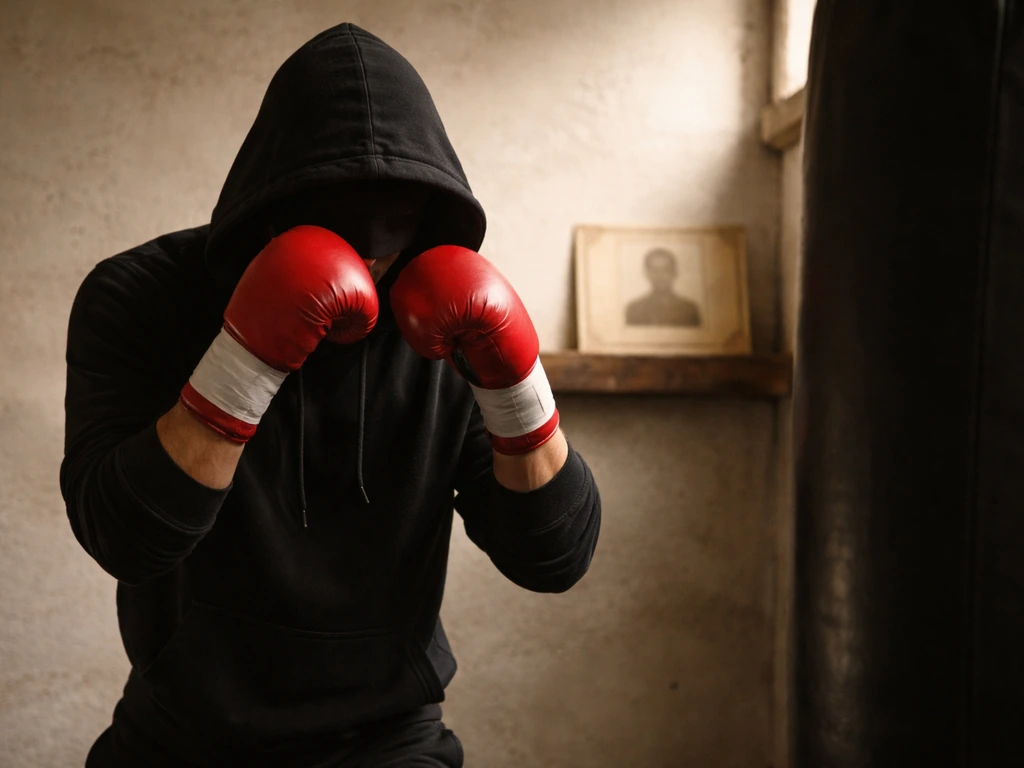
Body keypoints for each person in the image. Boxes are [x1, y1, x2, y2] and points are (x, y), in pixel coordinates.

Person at [61, 23, 601, 768]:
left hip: (389, 737)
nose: (372, 259)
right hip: (181, 729)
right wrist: (244, 360)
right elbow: (121, 537)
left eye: (392, 233)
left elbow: (554, 557)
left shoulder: (447, 317)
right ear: (269, 203)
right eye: (345, 228)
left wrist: (515, 386)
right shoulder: (140, 298)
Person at [624, 247, 702, 327]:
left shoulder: (689, 310)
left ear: (674, 272)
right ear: (647, 274)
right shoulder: (634, 309)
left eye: (665, 270)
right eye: (655, 270)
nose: (660, 276)